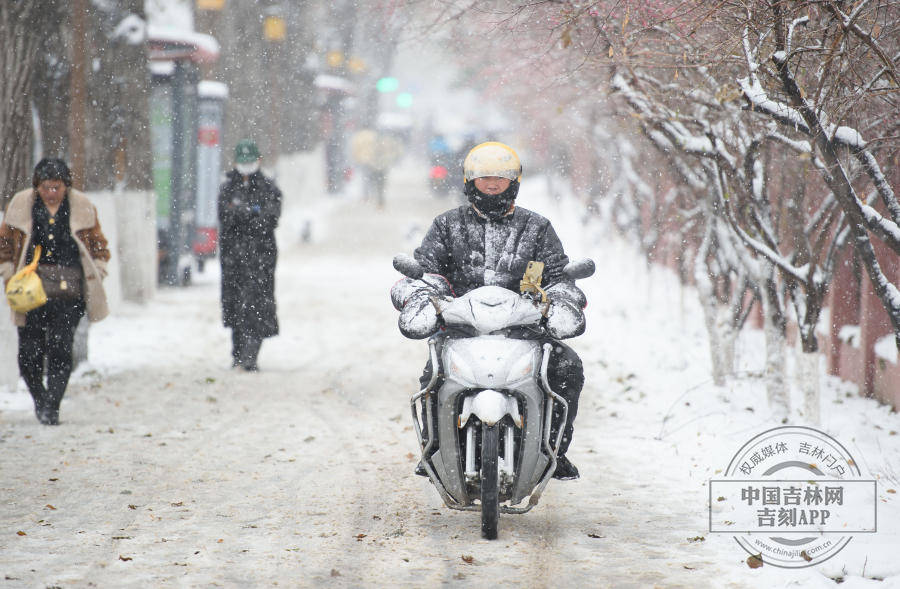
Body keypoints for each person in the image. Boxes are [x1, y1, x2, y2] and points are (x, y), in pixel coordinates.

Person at [391, 141, 587, 480]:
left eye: (500, 178)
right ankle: (434, 448)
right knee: (432, 377)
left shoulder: (537, 227)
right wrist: (423, 296)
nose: (492, 185)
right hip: (460, 331)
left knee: (567, 367)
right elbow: (427, 272)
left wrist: (560, 300)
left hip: (525, 331)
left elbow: (557, 277)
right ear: (470, 181)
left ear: (514, 181)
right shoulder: (447, 225)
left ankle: (554, 450)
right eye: (484, 178)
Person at [0, 158, 110, 425]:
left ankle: (52, 406)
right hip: (29, 291)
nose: (51, 193)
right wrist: (8, 272)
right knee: (29, 353)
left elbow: (99, 245)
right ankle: (40, 398)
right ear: (37, 186)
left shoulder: (81, 206)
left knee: (61, 349)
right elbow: (5, 244)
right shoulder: (21, 205)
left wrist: (98, 270)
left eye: (56, 187)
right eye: (46, 187)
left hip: (69, 293)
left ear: (66, 186)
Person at [217, 140, 281, 371]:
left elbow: (269, 219)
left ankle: (251, 355)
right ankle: (237, 353)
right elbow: (225, 217)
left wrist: (243, 215)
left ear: (259, 161)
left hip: (260, 259)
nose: (246, 166)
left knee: (257, 304)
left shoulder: (269, 188)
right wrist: (250, 213)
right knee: (234, 304)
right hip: (232, 258)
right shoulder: (227, 188)